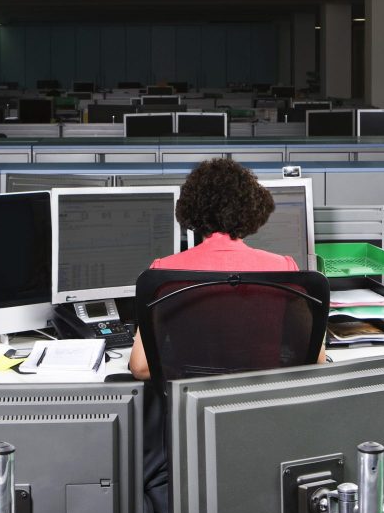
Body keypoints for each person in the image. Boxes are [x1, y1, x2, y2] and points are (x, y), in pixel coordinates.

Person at [128, 157, 322, 380]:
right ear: (251, 210)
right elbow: (315, 358)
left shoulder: (162, 273)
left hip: (191, 406)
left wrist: (179, 371)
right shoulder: (285, 269)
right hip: (264, 404)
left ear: (190, 209)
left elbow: (140, 367)